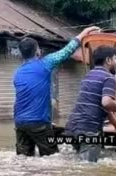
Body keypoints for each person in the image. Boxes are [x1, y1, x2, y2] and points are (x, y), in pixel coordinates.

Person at [13, 26, 99, 157]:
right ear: (37, 52)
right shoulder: (45, 63)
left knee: (23, 159)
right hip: (39, 123)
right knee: (51, 158)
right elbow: (67, 50)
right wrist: (84, 33)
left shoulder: (17, 72)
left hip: (20, 123)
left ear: (21, 54)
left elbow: (21, 100)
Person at [65, 46, 116, 162]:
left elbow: (105, 109)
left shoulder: (88, 75)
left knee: (79, 164)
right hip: (89, 130)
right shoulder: (108, 78)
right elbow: (106, 103)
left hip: (72, 128)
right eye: (115, 59)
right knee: (88, 169)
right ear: (108, 60)